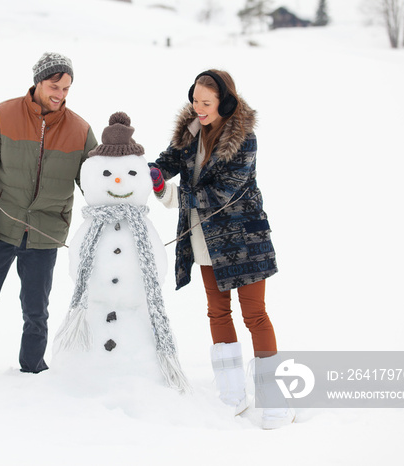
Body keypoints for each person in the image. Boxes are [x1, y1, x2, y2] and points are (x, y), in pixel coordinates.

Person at [149, 69, 293, 429]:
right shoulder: (190, 133)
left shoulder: (244, 140)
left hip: (244, 241)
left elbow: (224, 192)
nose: (198, 108)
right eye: (195, 101)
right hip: (205, 240)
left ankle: (273, 401)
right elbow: (167, 162)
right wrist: (144, 170)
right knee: (217, 312)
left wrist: (173, 195)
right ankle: (232, 396)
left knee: (255, 316)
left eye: (206, 103)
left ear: (225, 103)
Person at [0, 52, 98, 377]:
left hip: (45, 233)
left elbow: (95, 182)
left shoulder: (79, 130)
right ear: (38, 81)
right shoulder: (3, 114)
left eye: (67, 88)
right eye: (55, 86)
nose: (60, 94)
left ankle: (33, 372)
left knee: (36, 311)